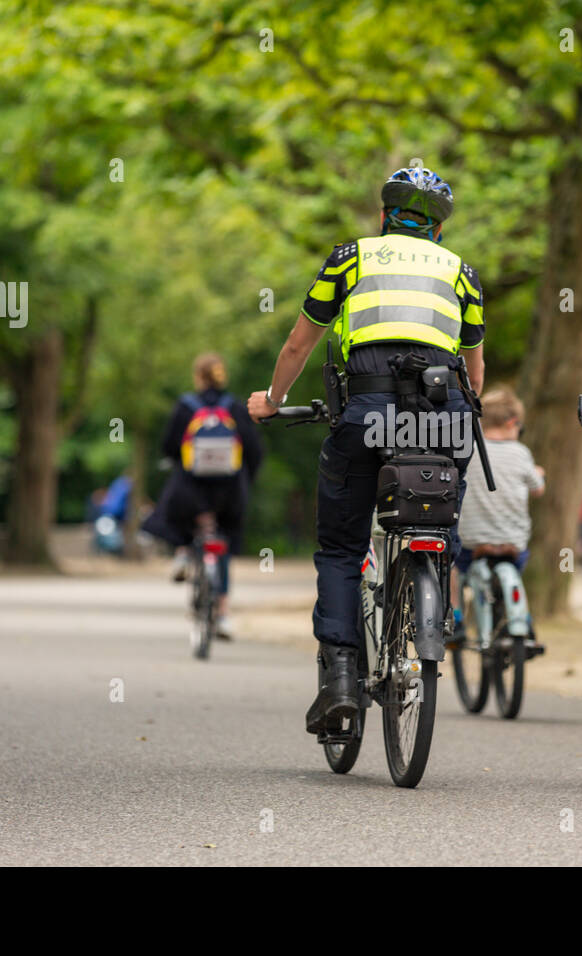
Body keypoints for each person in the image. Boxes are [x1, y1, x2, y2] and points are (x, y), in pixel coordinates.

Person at [247, 166, 485, 737]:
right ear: (438, 230)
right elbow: (474, 368)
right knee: (440, 516)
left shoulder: (351, 258)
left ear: (385, 216)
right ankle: (432, 591)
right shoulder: (463, 274)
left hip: (367, 413)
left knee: (341, 545)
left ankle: (342, 680)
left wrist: (273, 400)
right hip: (446, 417)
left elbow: (300, 342)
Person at [143, 353, 264, 638]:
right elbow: (254, 451)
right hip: (229, 491)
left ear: (198, 377)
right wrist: (247, 479)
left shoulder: (186, 406)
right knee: (223, 539)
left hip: (191, 490)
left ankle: (183, 553)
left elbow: (169, 446)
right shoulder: (235, 406)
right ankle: (221, 613)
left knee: (176, 511)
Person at [450, 386, 543, 642]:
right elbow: (537, 489)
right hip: (513, 543)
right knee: (519, 562)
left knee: (452, 567)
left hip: (471, 542)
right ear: (513, 423)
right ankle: (522, 617)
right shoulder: (522, 454)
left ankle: (455, 617)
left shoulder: (466, 450)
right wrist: (538, 474)